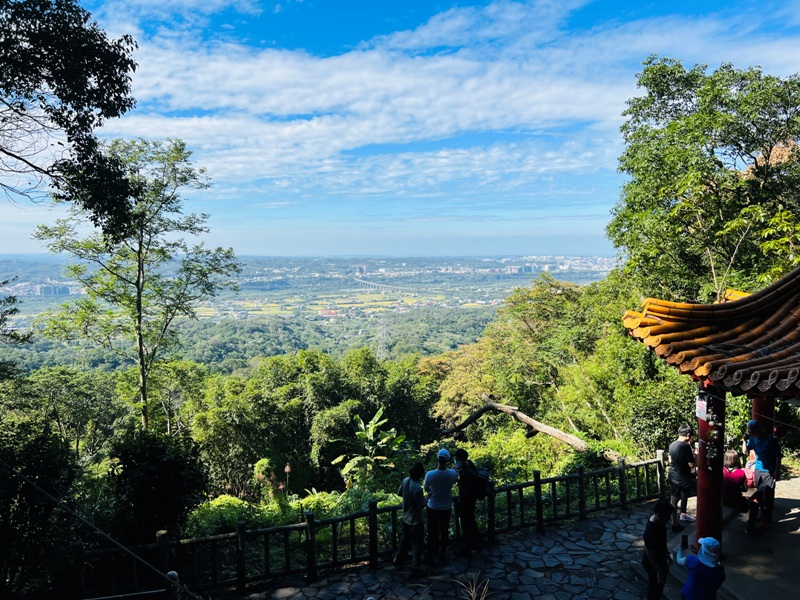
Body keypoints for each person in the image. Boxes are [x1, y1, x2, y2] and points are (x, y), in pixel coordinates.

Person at [743, 419, 781, 528]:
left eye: (752, 430)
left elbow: (778, 456)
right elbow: (745, 451)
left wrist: (777, 471)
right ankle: (762, 514)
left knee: (768, 494)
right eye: (749, 431)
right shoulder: (753, 439)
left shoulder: (770, 440)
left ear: (758, 429)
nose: (751, 433)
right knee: (759, 493)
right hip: (758, 469)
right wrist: (745, 440)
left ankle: (767, 518)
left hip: (769, 470)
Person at [423, 448, 458, 564]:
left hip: (432, 505)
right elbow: (454, 481)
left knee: (432, 531)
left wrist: (431, 492)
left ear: (437, 459)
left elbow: (426, 487)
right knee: (444, 530)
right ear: (448, 461)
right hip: (446, 506)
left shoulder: (430, 474)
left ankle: (430, 554)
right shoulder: (452, 473)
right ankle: (442, 553)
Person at [394, 462, 426, 577]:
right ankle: (415, 568)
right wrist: (429, 497)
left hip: (405, 517)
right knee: (417, 545)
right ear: (421, 475)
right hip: (416, 520)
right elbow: (422, 505)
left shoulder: (405, 481)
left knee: (405, 540)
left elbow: (400, 493)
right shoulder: (417, 488)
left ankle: (398, 559)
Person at [643, 500, 674, 600]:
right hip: (653, 563)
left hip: (660, 558)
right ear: (659, 515)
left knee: (658, 587)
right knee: (655, 588)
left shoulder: (659, 522)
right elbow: (650, 554)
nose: (669, 519)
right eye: (667, 516)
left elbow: (662, 542)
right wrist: (659, 571)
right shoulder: (650, 531)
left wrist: (667, 554)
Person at [453, 448, 481, 558]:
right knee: (471, 521)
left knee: (466, 523)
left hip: (466, 501)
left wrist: (458, 480)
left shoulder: (465, 473)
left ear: (459, 459)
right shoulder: (470, 465)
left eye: (456, 459)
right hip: (472, 499)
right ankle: (477, 542)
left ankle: (467, 547)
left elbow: (464, 489)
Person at [721, 449, 758, 533]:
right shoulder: (740, 472)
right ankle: (750, 527)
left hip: (723, 499)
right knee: (755, 505)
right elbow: (745, 489)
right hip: (735, 500)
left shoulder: (721, 471)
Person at [669, 423, 697, 531]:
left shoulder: (672, 444)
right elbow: (692, 465)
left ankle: (674, 523)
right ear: (688, 435)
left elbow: (671, 460)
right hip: (683, 478)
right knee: (703, 491)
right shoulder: (685, 446)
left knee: (673, 501)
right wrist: (695, 455)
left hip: (672, 475)